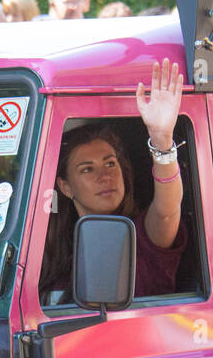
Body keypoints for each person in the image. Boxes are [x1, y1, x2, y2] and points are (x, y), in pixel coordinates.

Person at [40, 61, 186, 305]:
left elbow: (167, 211)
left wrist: (162, 142)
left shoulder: (144, 237)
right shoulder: (50, 250)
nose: (104, 176)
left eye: (110, 163)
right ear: (65, 187)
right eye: (87, 169)